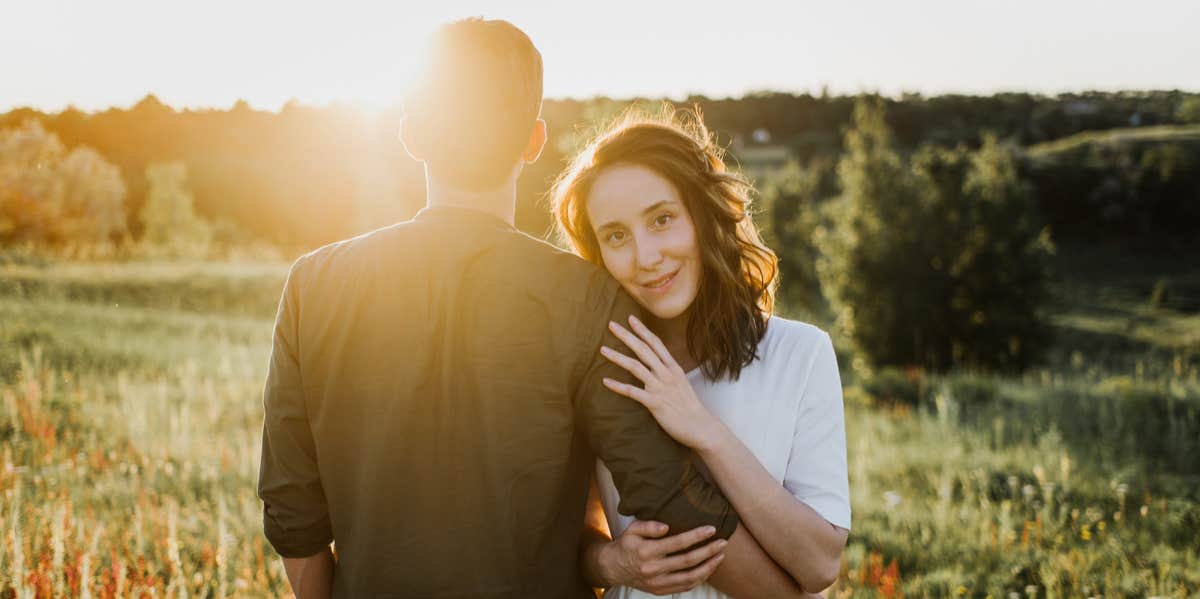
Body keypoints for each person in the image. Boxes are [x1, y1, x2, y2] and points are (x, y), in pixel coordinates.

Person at [257, 18, 806, 598]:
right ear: (534, 140)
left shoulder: (312, 287)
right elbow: (676, 512)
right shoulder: (588, 299)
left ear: (412, 136)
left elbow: (293, 514)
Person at [552, 109, 852, 597]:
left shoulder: (800, 354)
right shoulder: (597, 366)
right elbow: (575, 535)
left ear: (704, 214)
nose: (646, 257)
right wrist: (611, 563)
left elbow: (819, 563)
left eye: (662, 219)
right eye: (616, 236)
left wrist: (704, 430)